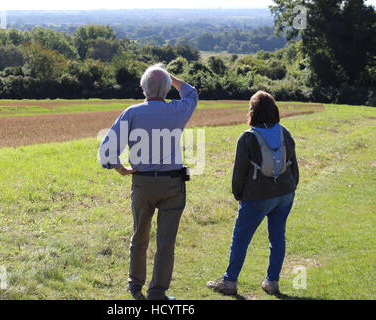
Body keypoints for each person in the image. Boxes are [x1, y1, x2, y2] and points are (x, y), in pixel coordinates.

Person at [99, 65, 199, 300]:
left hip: (142, 183)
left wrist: (118, 167)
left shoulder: (132, 113)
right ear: (166, 90)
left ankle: (135, 284)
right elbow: (192, 93)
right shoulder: (177, 109)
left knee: (139, 236)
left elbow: (107, 147)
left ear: (143, 88)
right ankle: (157, 292)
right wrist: (169, 77)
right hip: (173, 184)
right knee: (166, 242)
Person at [206, 90, 299, 296]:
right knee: (277, 238)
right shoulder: (284, 132)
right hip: (285, 193)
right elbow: (294, 165)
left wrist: (238, 195)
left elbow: (239, 173)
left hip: (257, 196)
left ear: (253, 112)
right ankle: (272, 282)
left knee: (240, 238)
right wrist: (292, 187)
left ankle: (229, 282)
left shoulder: (247, 137)